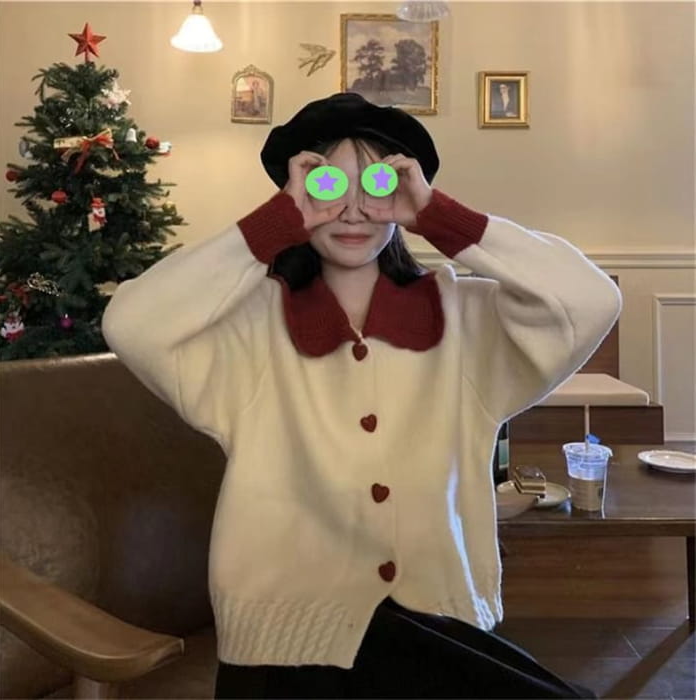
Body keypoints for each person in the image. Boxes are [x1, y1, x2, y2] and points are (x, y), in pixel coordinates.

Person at [102, 92, 621, 698]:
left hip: (436, 628)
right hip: (283, 648)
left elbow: (593, 301)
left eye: (376, 183)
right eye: (327, 185)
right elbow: (130, 322)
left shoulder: (466, 319)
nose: (351, 209)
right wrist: (274, 223)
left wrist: (439, 216)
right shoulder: (249, 327)